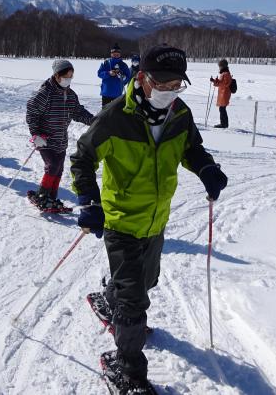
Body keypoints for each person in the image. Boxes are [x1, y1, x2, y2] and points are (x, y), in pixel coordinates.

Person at [70, 45, 227, 393]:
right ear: (141, 79)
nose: (169, 92)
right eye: (162, 84)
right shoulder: (114, 118)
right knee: (134, 302)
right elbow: (82, 159)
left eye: (177, 85)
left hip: (155, 221)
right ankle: (127, 368)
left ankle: (110, 298)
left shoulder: (180, 114)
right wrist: (89, 202)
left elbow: (192, 149)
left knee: (147, 281)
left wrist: (207, 169)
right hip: (121, 220)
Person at [26, 59, 95, 211]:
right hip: (45, 140)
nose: (68, 79)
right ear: (57, 76)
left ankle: (52, 198)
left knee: (59, 169)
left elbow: (78, 112)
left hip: (61, 140)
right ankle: (42, 196)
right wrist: (35, 134)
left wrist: (93, 120)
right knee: (53, 166)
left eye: (71, 76)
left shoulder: (70, 95)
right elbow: (32, 111)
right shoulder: (45, 93)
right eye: (66, 76)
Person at [211, 58, 232, 128]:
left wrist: (216, 81)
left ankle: (224, 124)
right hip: (223, 93)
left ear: (223, 66)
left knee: (222, 109)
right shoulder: (224, 73)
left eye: (220, 66)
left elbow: (225, 84)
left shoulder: (225, 74)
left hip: (224, 94)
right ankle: (224, 123)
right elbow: (221, 83)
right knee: (222, 109)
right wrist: (214, 81)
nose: (219, 67)